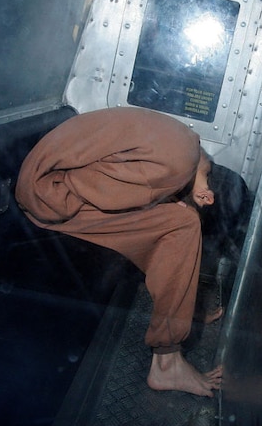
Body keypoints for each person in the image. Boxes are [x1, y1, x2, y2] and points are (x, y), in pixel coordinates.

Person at [14, 106, 223, 397]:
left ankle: (181, 313)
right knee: (182, 224)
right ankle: (167, 363)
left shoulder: (181, 140)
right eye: (208, 181)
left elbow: (119, 177)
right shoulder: (182, 159)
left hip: (47, 179)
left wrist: (161, 201)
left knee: (177, 221)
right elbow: (106, 189)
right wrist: (162, 203)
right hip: (50, 193)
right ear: (206, 171)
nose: (207, 193)